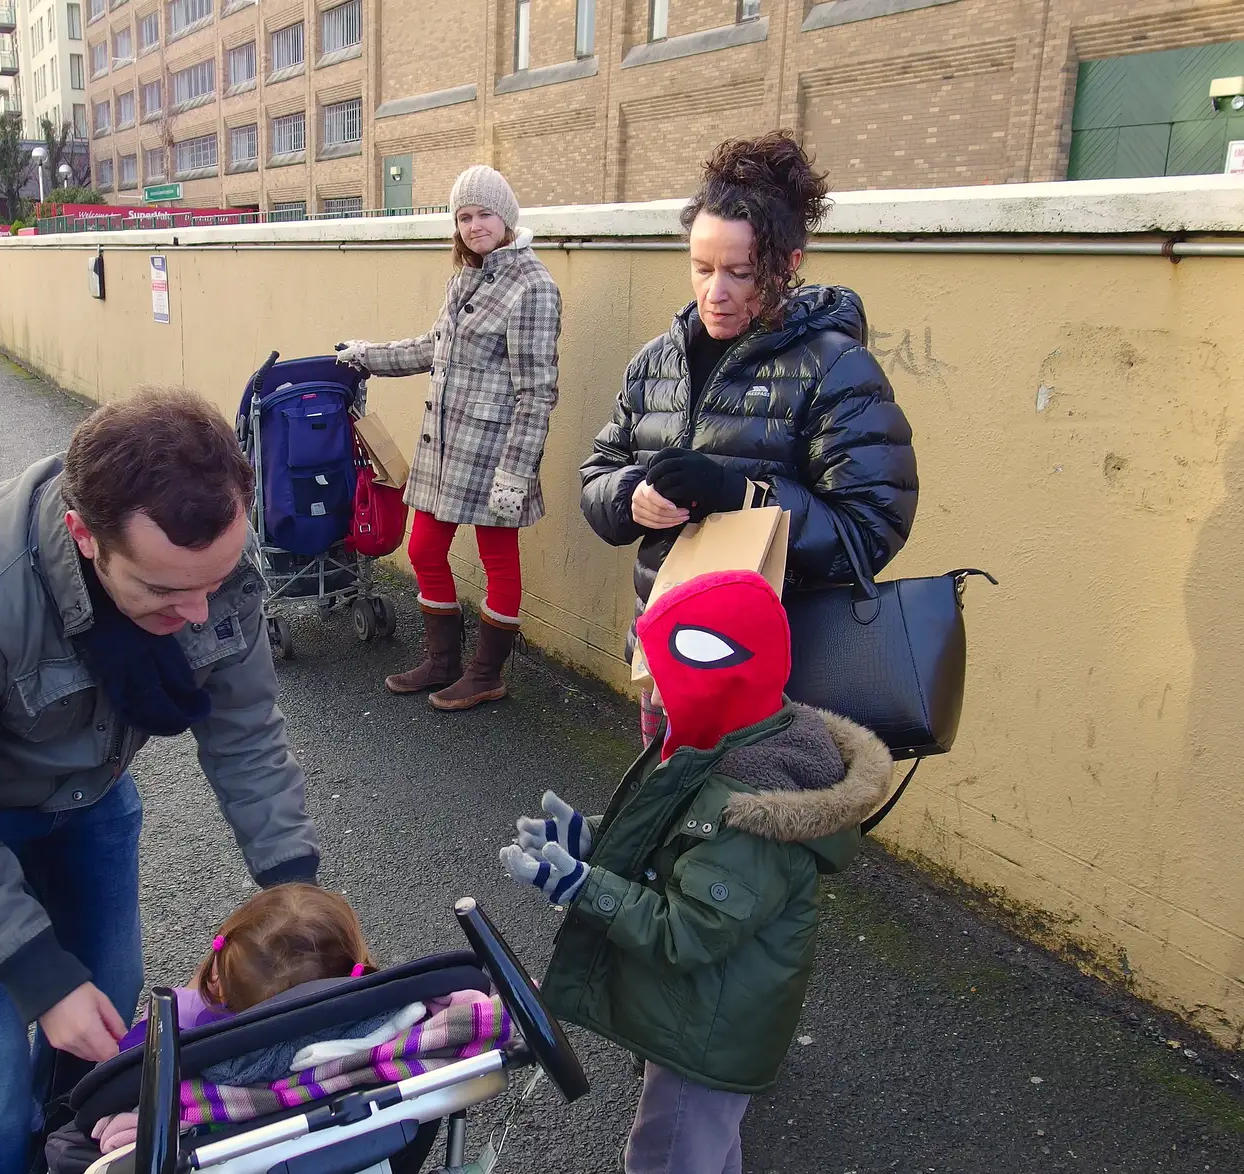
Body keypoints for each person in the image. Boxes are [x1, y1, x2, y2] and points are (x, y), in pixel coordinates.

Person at [0, 390, 321, 1174]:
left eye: (216, 580)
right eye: (164, 592)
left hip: (85, 786)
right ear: (84, 537)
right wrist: (38, 977)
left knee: (107, 991)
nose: (201, 612)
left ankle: (60, 1146)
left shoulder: (209, 560)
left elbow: (247, 732)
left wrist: (295, 887)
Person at [500, 569, 895, 1174]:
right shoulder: (741, 741)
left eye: (664, 679)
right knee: (705, 1148)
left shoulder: (751, 809)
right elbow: (680, 846)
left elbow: (690, 932)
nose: (652, 697)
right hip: (704, 1011)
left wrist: (583, 886)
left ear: (719, 674)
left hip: (709, 1032)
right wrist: (595, 841)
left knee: (668, 1155)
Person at [578, 131, 918, 741]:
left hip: (773, 684)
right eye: (702, 268)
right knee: (669, 826)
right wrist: (631, 497)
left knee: (747, 832)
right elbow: (596, 479)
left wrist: (743, 497)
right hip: (666, 662)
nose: (716, 293)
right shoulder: (657, 362)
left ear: (788, 264)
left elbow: (869, 532)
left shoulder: (835, 369)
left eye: (741, 272)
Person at [337, 164, 561, 712]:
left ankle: (486, 674)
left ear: (506, 218)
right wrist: (366, 356)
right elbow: (429, 348)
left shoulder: (533, 288)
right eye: (464, 216)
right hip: (445, 449)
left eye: (484, 214)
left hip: (494, 454)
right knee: (423, 549)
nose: (474, 225)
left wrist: (516, 471)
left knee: (497, 560)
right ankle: (443, 663)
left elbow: (537, 392)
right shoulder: (465, 279)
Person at [88, 883, 379, 1155]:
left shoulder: (181, 1038)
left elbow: (119, 1075)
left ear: (218, 969)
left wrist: (188, 999)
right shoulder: (376, 1029)